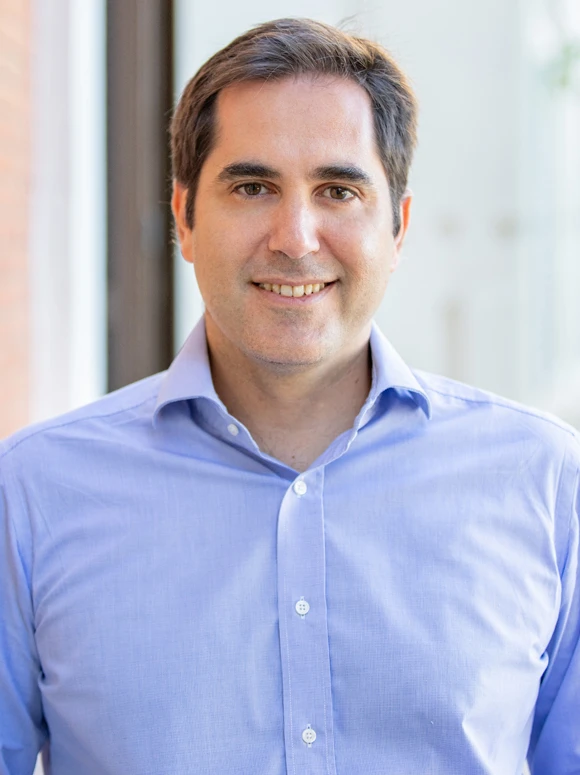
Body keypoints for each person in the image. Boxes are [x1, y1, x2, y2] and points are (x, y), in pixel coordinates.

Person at [1, 17, 578, 775]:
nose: (296, 236)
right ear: (183, 217)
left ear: (398, 228)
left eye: (338, 189)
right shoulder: (34, 493)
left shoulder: (543, 481)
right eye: (252, 186)